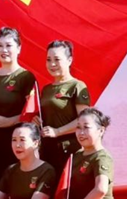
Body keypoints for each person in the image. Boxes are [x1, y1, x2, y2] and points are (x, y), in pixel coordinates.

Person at [0, 27, 37, 190]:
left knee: (16, 186)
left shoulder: (26, 77)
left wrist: (9, 121)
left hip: (18, 143)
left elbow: (33, 114)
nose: (4, 50)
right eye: (0, 46)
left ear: (18, 48)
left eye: (8, 46)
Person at [38, 40, 90, 176]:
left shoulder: (77, 86)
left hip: (69, 149)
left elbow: (84, 121)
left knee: (67, 188)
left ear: (69, 60)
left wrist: (57, 131)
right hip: (47, 149)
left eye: (57, 59)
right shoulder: (46, 89)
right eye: (49, 60)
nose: (52, 64)